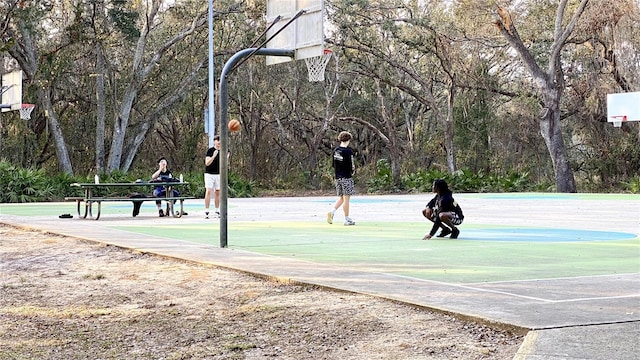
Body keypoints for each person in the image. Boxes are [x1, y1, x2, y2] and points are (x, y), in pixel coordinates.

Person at [327, 131, 356, 226]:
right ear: (348, 140)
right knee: (346, 199)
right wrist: (352, 171)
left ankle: (332, 212)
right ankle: (346, 219)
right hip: (346, 177)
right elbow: (351, 166)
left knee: (341, 198)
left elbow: (333, 165)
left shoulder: (336, 151)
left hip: (337, 177)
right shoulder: (348, 151)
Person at [204, 135, 222, 219]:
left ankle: (217, 210)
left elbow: (225, 163)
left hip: (218, 174)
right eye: (217, 140)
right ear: (214, 141)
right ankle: (206, 210)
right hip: (209, 174)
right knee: (208, 191)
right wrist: (214, 156)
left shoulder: (224, 150)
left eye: (220, 141)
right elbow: (207, 163)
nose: (219, 142)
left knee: (217, 192)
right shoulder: (210, 151)